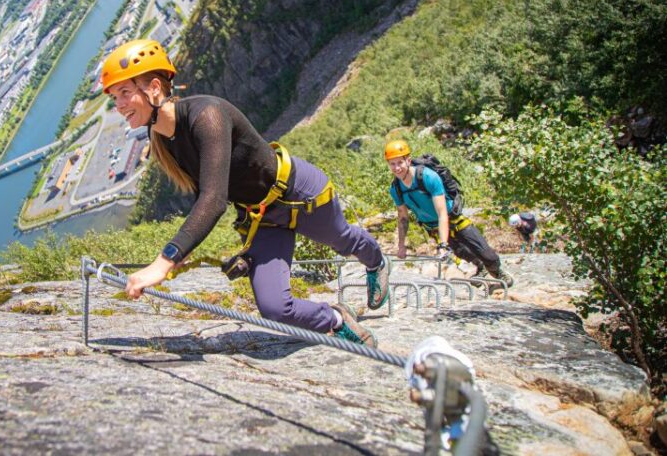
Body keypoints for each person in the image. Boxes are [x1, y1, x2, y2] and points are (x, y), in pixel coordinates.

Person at [102, 39, 390, 345]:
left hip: (297, 192)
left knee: (343, 240)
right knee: (275, 308)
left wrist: (165, 261)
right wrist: (188, 250)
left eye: (124, 93)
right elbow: (208, 192)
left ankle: (376, 262)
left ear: (155, 88)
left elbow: (213, 201)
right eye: (113, 97)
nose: (119, 105)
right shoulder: (161, 136)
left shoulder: (207, 115)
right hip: (260, 217)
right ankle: (335, 318)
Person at [384, 139, 513, 287]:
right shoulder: (396, 189)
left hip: (452, 219)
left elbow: (442, 213)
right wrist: (401, 245)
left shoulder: (428, 177)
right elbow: (403, 218)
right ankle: (481, 268)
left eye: (399, 162)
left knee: (487, 254)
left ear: (408, 160)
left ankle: (497, 272)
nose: (396, 168)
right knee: (462, 252)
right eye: (392, 164)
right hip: (432, 227)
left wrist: (443, 244)